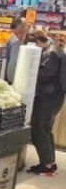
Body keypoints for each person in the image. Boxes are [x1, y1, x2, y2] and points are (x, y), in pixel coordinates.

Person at [28, 30, 65, 175]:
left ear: (37, 41)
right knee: (46, 129)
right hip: (54, 97)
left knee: (38, 129)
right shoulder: (55, 49)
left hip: (47, 97)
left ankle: (46, 165)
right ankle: (50, 162)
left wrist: (31, 71)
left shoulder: (50, 54)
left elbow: (45, 74)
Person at [5, 17, 30, 84]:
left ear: (28, 27)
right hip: (11, 81)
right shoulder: (12, 41)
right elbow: (6, 60)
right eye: (16, 33)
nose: (19, 36)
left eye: (21, 32)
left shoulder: (35, 43)